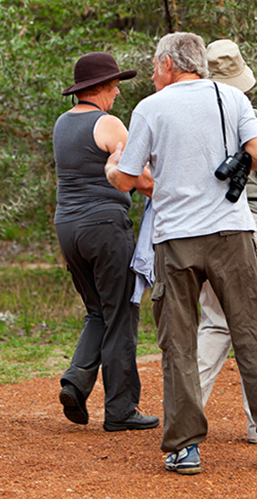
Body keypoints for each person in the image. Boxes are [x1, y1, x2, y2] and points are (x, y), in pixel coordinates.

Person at [106, 32, 257, 475]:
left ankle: (185, 447)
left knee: (178, 342)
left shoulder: (149, 109)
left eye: (156, 65)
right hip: (231, 234)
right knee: (252, 332)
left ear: (169, 65)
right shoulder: (232, 100)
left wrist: (112, 163)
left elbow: (125, 180)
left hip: (174, 239)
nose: (155, 72)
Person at [53, 52, 160, 432]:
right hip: (104, 226)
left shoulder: (62, 124)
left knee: (97, 310)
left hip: (68, 227)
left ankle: (76, 382)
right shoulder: (108, 123)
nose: (116, 92)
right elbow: (141, 178)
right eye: (113, 85)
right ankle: (121, 409)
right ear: (98, 88)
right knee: (121, 314)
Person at [195, 40, 257, 445]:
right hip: (249, 223)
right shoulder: (250, 112)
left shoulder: (189, 114)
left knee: (213, 322)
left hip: (203, 227)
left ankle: (186, 413)